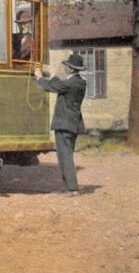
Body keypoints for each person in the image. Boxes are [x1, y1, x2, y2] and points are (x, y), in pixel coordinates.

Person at [34, 53, 87, 193]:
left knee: (65, 156)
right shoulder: (80, 82)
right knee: (66, 155)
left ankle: (72, 188)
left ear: (70, 69)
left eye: (67, 66)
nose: (66, 68)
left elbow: (52, 87)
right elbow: (60, 85)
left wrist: (39, 77)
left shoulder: (70, 83)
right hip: (73, 124)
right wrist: (52, 75)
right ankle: (68, 187)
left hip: (64, 124)